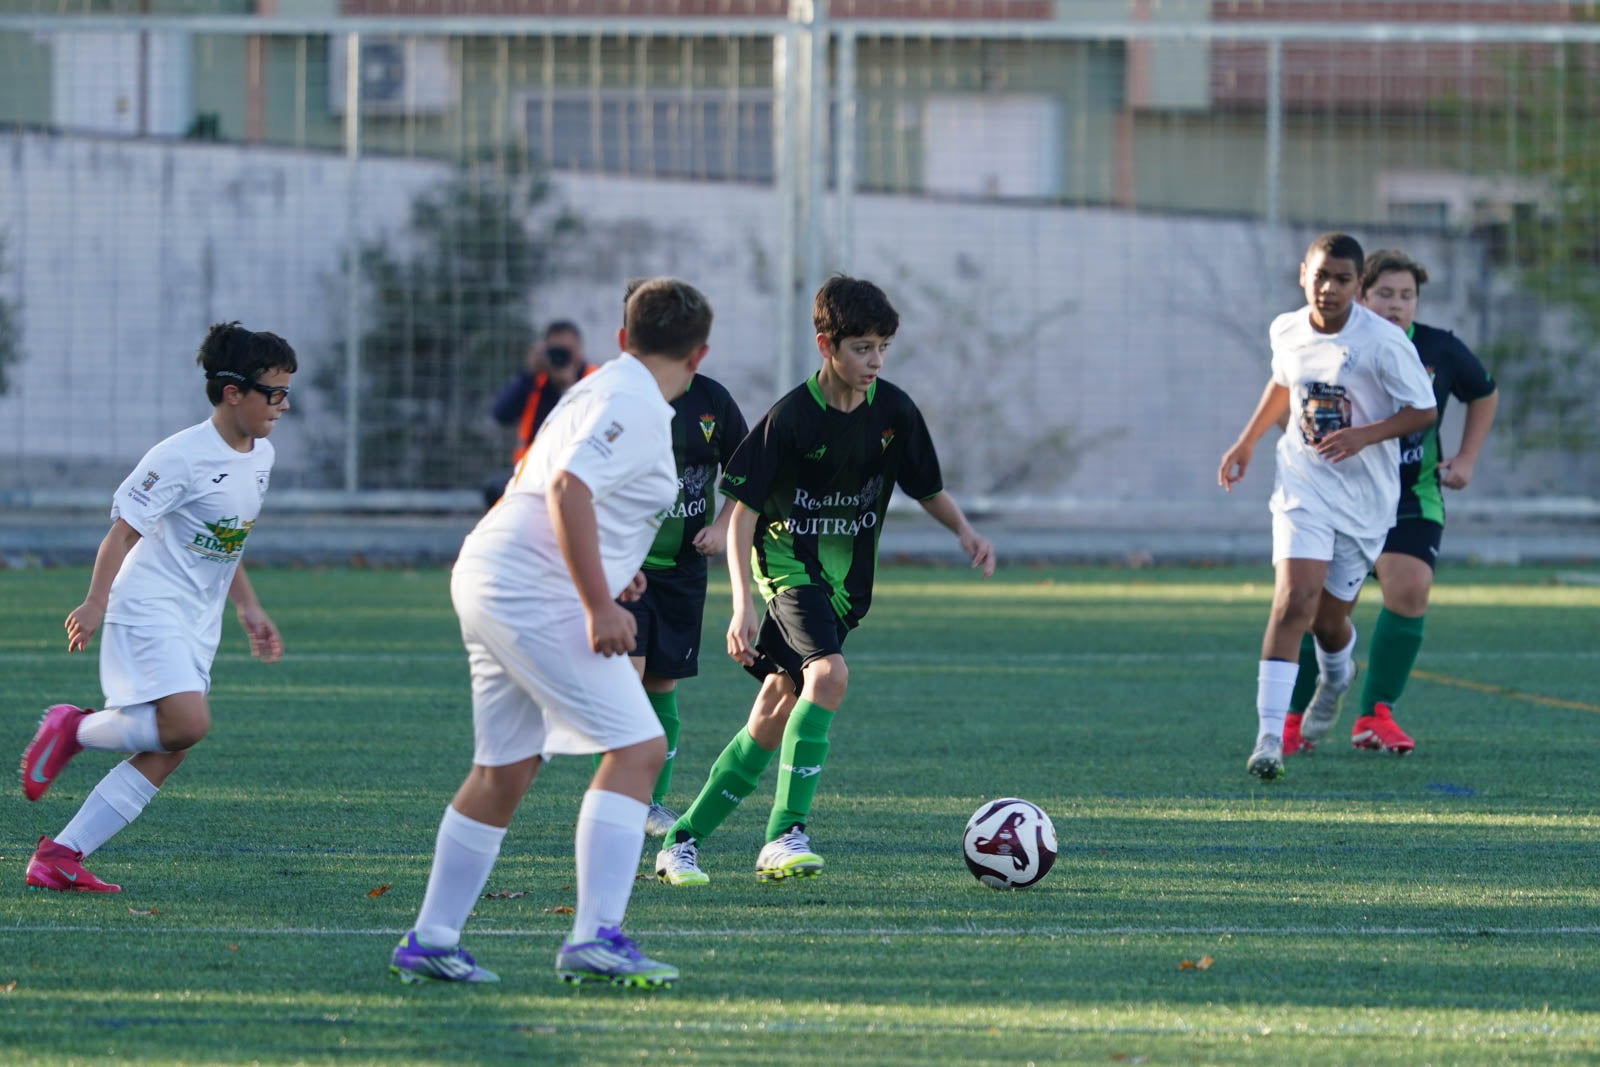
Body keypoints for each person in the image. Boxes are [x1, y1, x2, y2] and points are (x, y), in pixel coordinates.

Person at [389, 278, 714, 989]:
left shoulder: (599, 388)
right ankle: (595, 935)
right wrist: (598, 601)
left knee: (505, 765)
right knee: (639, 745)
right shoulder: (630, 400)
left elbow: (547, 490)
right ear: (700, 354)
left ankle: (432, 937)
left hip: (497, 569)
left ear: (623, 337)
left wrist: (608, 571)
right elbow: (568, 489)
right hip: (529, 587)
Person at [654, 274, 995, 887]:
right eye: (862, 347)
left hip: (844, 587)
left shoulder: (893, 411)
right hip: (787, 569)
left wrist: (965, 533)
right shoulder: (789, 419)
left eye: (883, 347)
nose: (875, 361)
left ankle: (681, 842)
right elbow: (741, 515)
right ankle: (786, 835)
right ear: (826, 345)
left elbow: (927, 486)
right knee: (829, 676)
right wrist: (740, 605)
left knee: (775, 707)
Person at [19, 322, 296, 892]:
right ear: (232, 393)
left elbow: (227, 540)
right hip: (147, 605)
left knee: (172, 744)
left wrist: (249, 608)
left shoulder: (261, 455)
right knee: (188, 722)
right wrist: (95, 603)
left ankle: (60, 855)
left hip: (196, 618)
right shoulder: (180, 456)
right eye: (274, 393)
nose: (283, 405)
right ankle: (74, 729)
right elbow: (121, 535)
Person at [1217, 233, 1437, 781]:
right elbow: (1282, 383)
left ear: (1358, 286)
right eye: (1320, 276)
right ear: (1302, 275)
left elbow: (1424, 410)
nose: (1329, 288)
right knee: (1292, 602)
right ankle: (1268, 739)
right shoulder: (1286, 329)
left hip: (1365, 501)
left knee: (1328, 623)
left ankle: (1337, 678)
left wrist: (1364, 436)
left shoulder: (1383, 342)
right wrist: (1246, 441)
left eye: (1342, 280)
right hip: (1302, 487)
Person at [1282, 248, 1499, 757]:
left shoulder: (1439, 349)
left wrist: (1466, 458)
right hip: (1343, 498)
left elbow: (1484, 393)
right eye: (1385, 294)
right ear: (1360, 294)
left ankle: (1375, 714)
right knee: (1321, 611)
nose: (1397, 305)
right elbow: (1290, 399)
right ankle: (1291, 719)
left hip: (1410, 496)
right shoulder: (1334, 344)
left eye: (1407, 296)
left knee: (1411, 587)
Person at [605, 279, 750, 838]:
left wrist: (719, 524)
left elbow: (746, 471)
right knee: (629, 682)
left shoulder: (711, 400)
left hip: (684, 572)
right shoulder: (615, 399)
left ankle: (649, 804)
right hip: (627, 572)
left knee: (662, 687)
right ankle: (623, 801)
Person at [483, 320, 599, 508]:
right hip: (533, 473)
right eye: (555, 352)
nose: (561, 358)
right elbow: (501, 414)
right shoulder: (536, 381)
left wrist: (570, 388)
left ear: (579, 351)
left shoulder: (595, 379)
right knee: (495, 489)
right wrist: (529, 373)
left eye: (567, 351)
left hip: (581, 472)